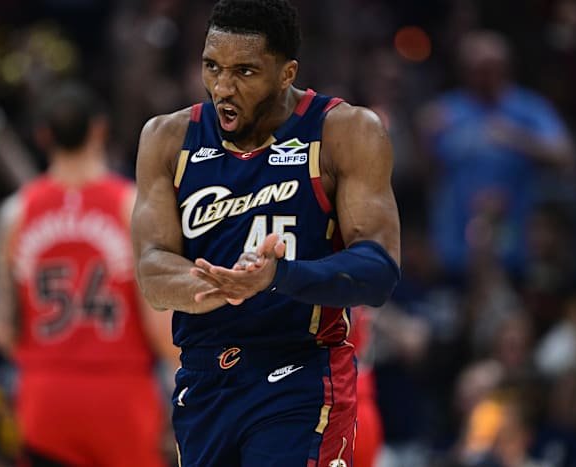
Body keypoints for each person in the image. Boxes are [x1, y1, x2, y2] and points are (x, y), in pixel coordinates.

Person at [131, 1, 401, 465]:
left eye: (245, 72)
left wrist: (279, 276)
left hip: (301, 371)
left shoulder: (345, 131)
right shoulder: (167, 138)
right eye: (212, 67)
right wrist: (219, 285)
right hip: (204, 378)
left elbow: (379, 270)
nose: (223, 87)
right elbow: (152, 271)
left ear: (286, 73)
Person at [0, 80, 178, 467]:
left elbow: (3, 331)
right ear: (99, 129)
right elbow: (161, 331)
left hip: (44, 398)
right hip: (121, 397)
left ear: (43, 136)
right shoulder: (130, 207)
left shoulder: (14, 214)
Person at [418, 30, 576, 282]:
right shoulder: (446, 111)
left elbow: (565, 155)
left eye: (491, 67)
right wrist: (424, 138)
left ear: (506, 67)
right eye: (477, 68)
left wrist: (517, 138)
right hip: (456, 247)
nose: (485, 75)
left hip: (517, 245)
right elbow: (425, 173)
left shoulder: (528, 108)